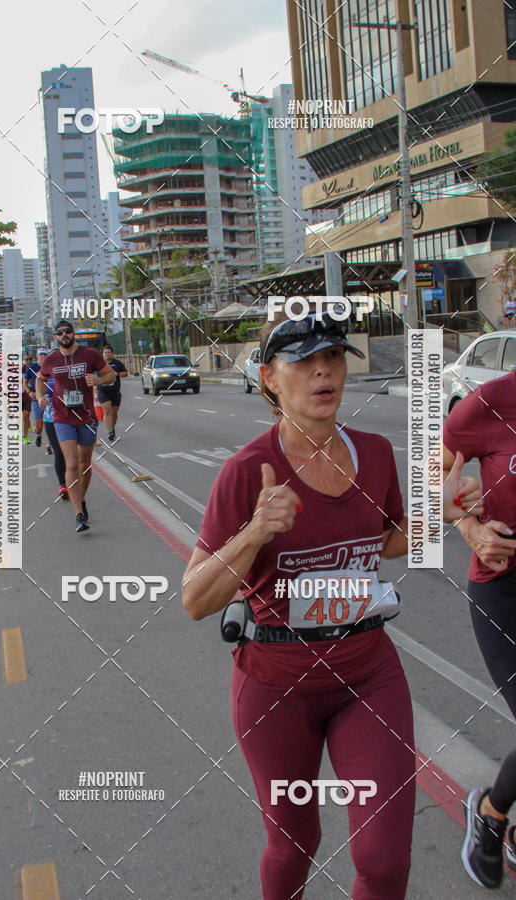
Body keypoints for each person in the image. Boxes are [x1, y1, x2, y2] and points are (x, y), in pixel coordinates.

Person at [182, 312, 481, 900]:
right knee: (293, 845)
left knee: (384, 860)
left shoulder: (374, 453)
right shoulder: (246, 472)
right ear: (269, 378)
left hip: (368, 676)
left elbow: (385, 540)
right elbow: (195, 599)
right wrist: (254, 533)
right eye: (304, 361)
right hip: (275, 687)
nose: (324, 372)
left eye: (335, 358)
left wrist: (437, 517)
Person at [443, 367, 516, 889]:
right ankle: (490, 813)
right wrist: (468, 526)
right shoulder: (493, 401)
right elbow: (433, 475)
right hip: (502, 587)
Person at [36, 320, 115, 532]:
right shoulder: (51, 359)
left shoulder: (90, 355)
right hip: (62, 418)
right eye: (60, 333)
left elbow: (110, 375)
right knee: (71, 463)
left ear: (73, 334)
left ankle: (81, 498)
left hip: (87, 417)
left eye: (68, 332)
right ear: (56, 337)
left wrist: (97, 381)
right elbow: (40, 379)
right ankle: (79, 513)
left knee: (84, 464)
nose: (64, 335)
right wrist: (40, 397)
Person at [42, 375, 68, 500]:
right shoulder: (44, 374)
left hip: (70, 418)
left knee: (72, 454)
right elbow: (37, 389)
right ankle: (63, 485)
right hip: (50, 418)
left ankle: (73, 480)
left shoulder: (71, 370)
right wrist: (39, 397)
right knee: (59, 452)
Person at [97, 344, 128, 441]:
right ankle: (110, 431)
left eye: (109, 352)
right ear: (102, 354)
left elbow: (125, 373)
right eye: (105, 352)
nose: (107, 354)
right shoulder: (98, 364)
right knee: (107, 411)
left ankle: (112, 427)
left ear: (112, 354)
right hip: (103, 390)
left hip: (115, 391)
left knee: (114, 413)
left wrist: (117, 374)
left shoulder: (117, 363)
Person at [24, 347, 51, 449]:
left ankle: (49, 445)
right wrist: (29, 392)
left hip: (50, 398)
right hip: (37, 399)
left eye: (45, 354)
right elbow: (25, 382)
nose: (43, 356)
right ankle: (39, 435)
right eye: (41, 354)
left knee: (50, 423)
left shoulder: (51, 367)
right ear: (37, 355)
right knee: (39, 426)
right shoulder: (32, 368)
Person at [21, 354, 34, 444]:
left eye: (30, 359)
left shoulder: (31, 369)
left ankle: (25, 437)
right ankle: (17, 434)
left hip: (27, 396)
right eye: (26, 359)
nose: (28, 361)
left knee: (26, 417)